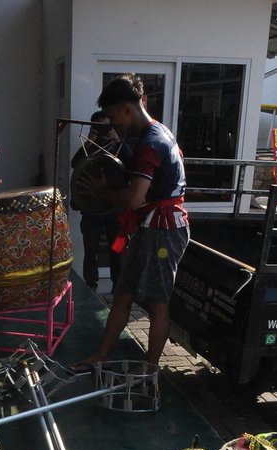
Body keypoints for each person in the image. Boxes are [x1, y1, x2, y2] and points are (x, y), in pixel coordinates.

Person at [75, 74, 189, 368]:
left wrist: (103, 191)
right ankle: (101, 355)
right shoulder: (159, 131)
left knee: (157, 303)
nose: (114, 125)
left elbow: (133, 199)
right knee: (123, 292)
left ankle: (151, 369)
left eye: (113, 117)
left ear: (128, 108)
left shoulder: (150, 143)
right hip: (150, 226)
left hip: (164, 229)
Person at [70, 111, 123, 292]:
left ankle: (118, 286)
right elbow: (74, 163)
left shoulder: (119, 146)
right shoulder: (89, 146)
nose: (101, 131)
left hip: (114, 209)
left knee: (118, 249)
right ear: (92, 127)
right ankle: (91, 286)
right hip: (91, 210)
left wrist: (118, 140)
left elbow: (130, 162)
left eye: (105, 127)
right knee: (90, 249)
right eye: (97, 127)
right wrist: (89, 141)